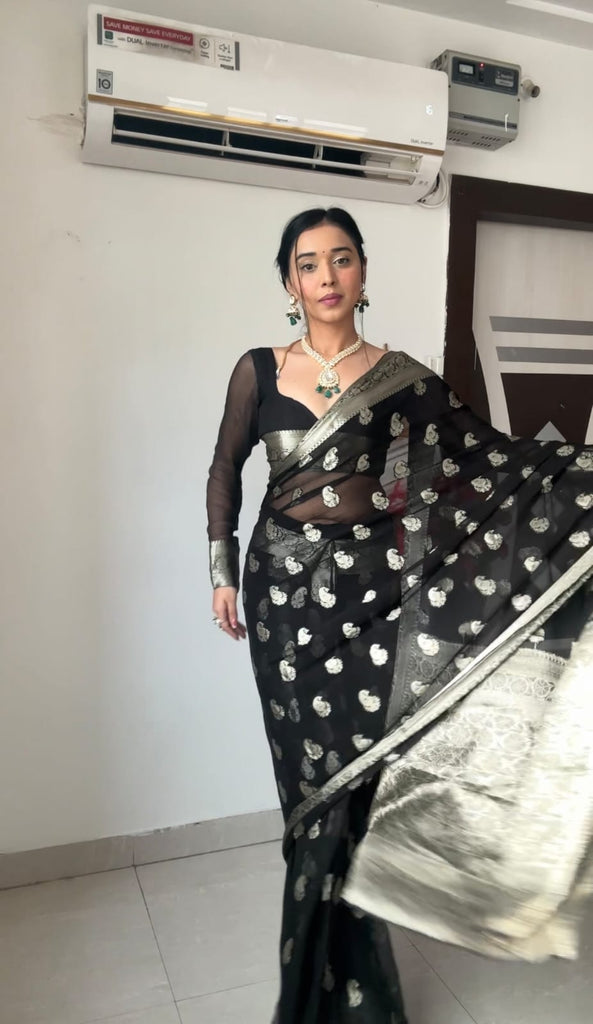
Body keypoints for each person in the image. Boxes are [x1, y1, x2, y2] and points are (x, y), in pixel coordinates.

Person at [207, 207, 593, 1024]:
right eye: (308, 263)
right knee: (309, 785)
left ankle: (343, 991)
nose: (326, 276)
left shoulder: (399, 377)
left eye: (340, 258)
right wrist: (219, 573)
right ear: (288, 283)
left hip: (363, 597)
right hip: (280, 595)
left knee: (353, 780)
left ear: (362, 272)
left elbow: (483, 464)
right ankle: (319, 989)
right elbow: (223, 470)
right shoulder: (258, 369)